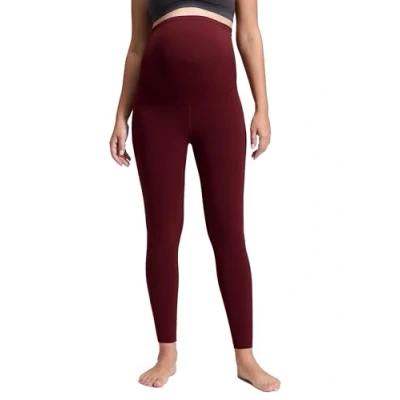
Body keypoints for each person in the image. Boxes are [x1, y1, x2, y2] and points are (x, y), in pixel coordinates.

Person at [109, 0, 280, 392]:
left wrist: (262, 107)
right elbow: (136, 47)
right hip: (156, 112)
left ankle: (245, 357)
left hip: (218, 110)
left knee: (229, 233)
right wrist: (121, 115)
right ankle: (166, 353)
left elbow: (249, 35)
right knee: (163, 234)